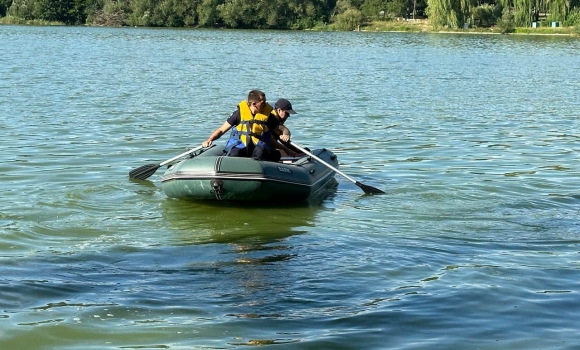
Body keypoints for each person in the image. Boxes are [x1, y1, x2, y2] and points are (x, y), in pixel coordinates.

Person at [202, 90, 277, 161]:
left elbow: (282, 129)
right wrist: (210, 139)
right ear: (254, 104)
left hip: (258, 146)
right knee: (235, 153)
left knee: (260, 152)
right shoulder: (238, 114)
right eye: (263, 103)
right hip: (241, 144)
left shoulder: (268, 116)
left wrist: (286, 135)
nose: (265, 105)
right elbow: (221, 130)